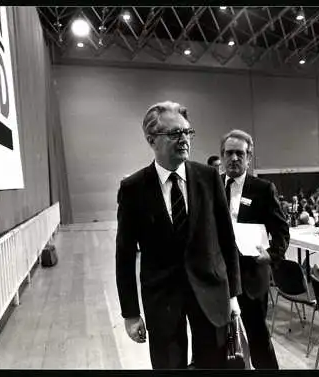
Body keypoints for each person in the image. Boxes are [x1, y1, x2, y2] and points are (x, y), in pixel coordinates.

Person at [116, 101, 242, 369]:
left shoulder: (209, 178)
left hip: (211, 294)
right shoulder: (133, 189)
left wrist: (233, 296)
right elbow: (124, 255)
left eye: (187, 132)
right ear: (152, 140)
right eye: (174, 134)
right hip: (163, 300)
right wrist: (130, 313)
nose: (184, 139)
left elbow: (227, 241)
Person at [220, 129, 290, 369]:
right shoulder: (212, 186)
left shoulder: (262, 188)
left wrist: (272, 255)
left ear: (249, 158)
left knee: (258, 336)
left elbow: (281, 230)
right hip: (219, 276)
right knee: (222, 339)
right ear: (222, 156)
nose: (234, 158)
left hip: (251, 274)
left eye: (240, 153)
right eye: (229, 153)